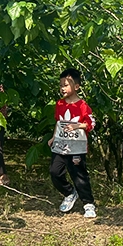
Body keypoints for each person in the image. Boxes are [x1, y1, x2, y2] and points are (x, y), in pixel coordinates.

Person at [47, 68, 97, 218]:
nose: (63, 88)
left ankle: (88, 203)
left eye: (66, 85)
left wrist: (77, 125)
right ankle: (69, 192)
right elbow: (59, 122)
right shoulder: (60, 104)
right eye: (61, 85)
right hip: (61, 144)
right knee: (54, 171)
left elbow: (91, 124)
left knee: (79, 174)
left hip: (76, 146)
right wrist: (53, 137)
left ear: (76, 86)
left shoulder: (82, 106)